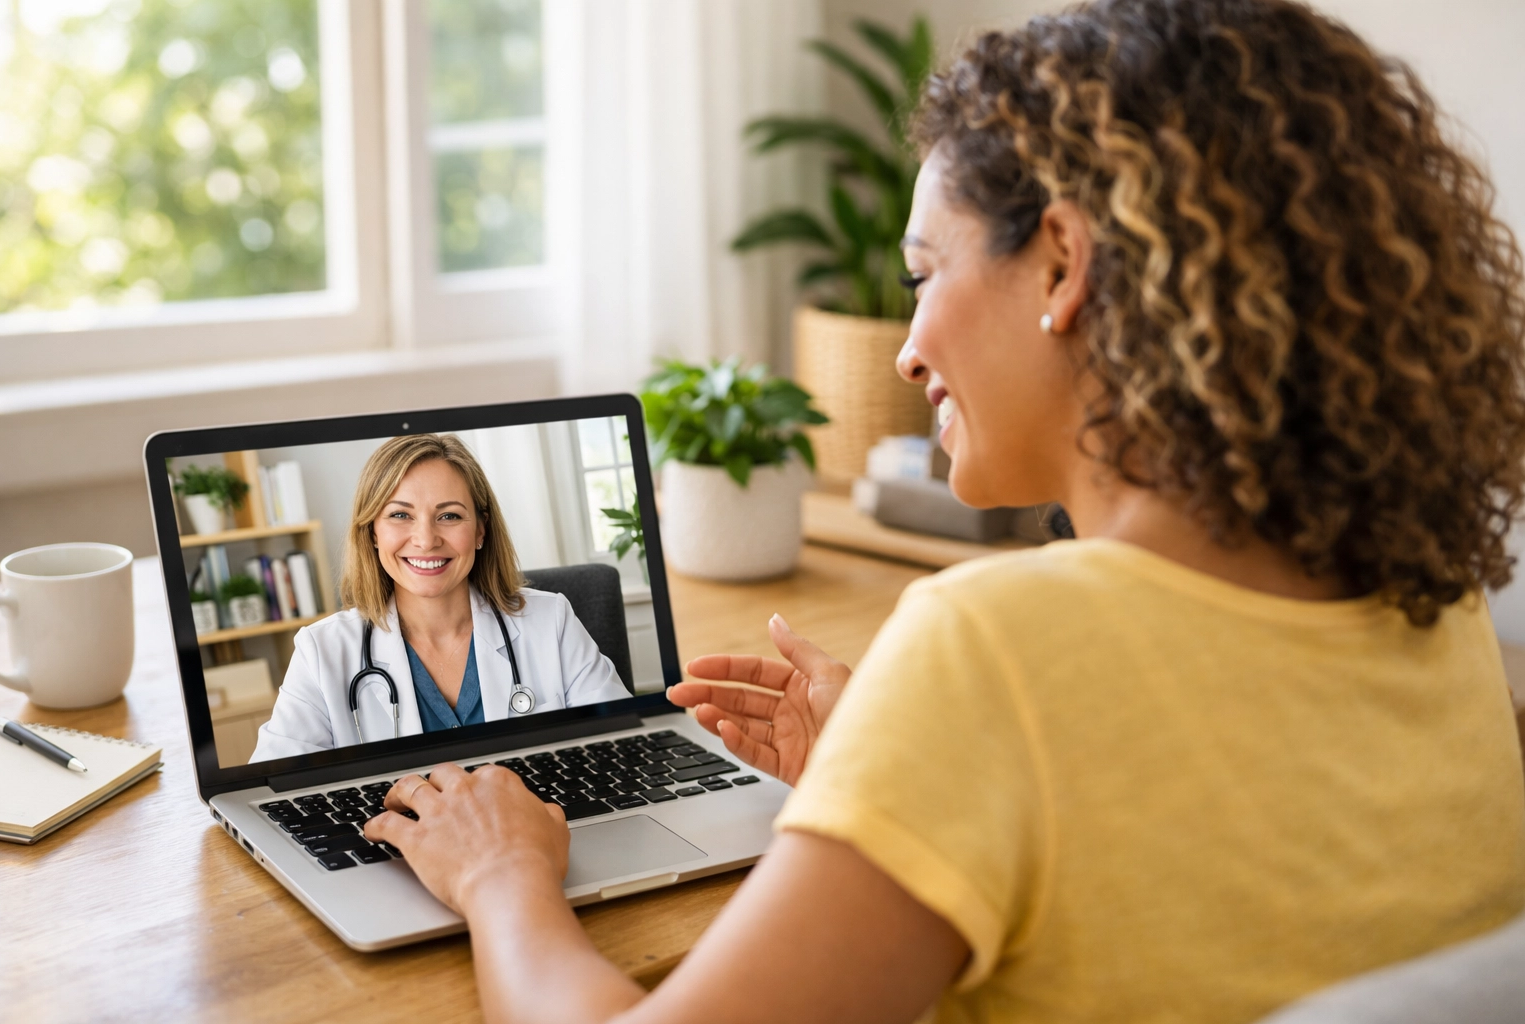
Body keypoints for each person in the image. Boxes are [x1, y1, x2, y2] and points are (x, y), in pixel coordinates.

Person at [363, 1, 1525, 1020]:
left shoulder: (995, 647)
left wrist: (500, 874)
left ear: (1064, 265)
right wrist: (900, 778)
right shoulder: (1440, 607)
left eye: (924, 275)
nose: (910, 347)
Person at [251, 434, 626, 761]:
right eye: (400, 515)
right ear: (372, 533)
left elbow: (623, 745)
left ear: (480, 530)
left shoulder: (552, 621)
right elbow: (273, 790)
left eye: (449, 516)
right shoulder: (322, 651)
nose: (426, 539)